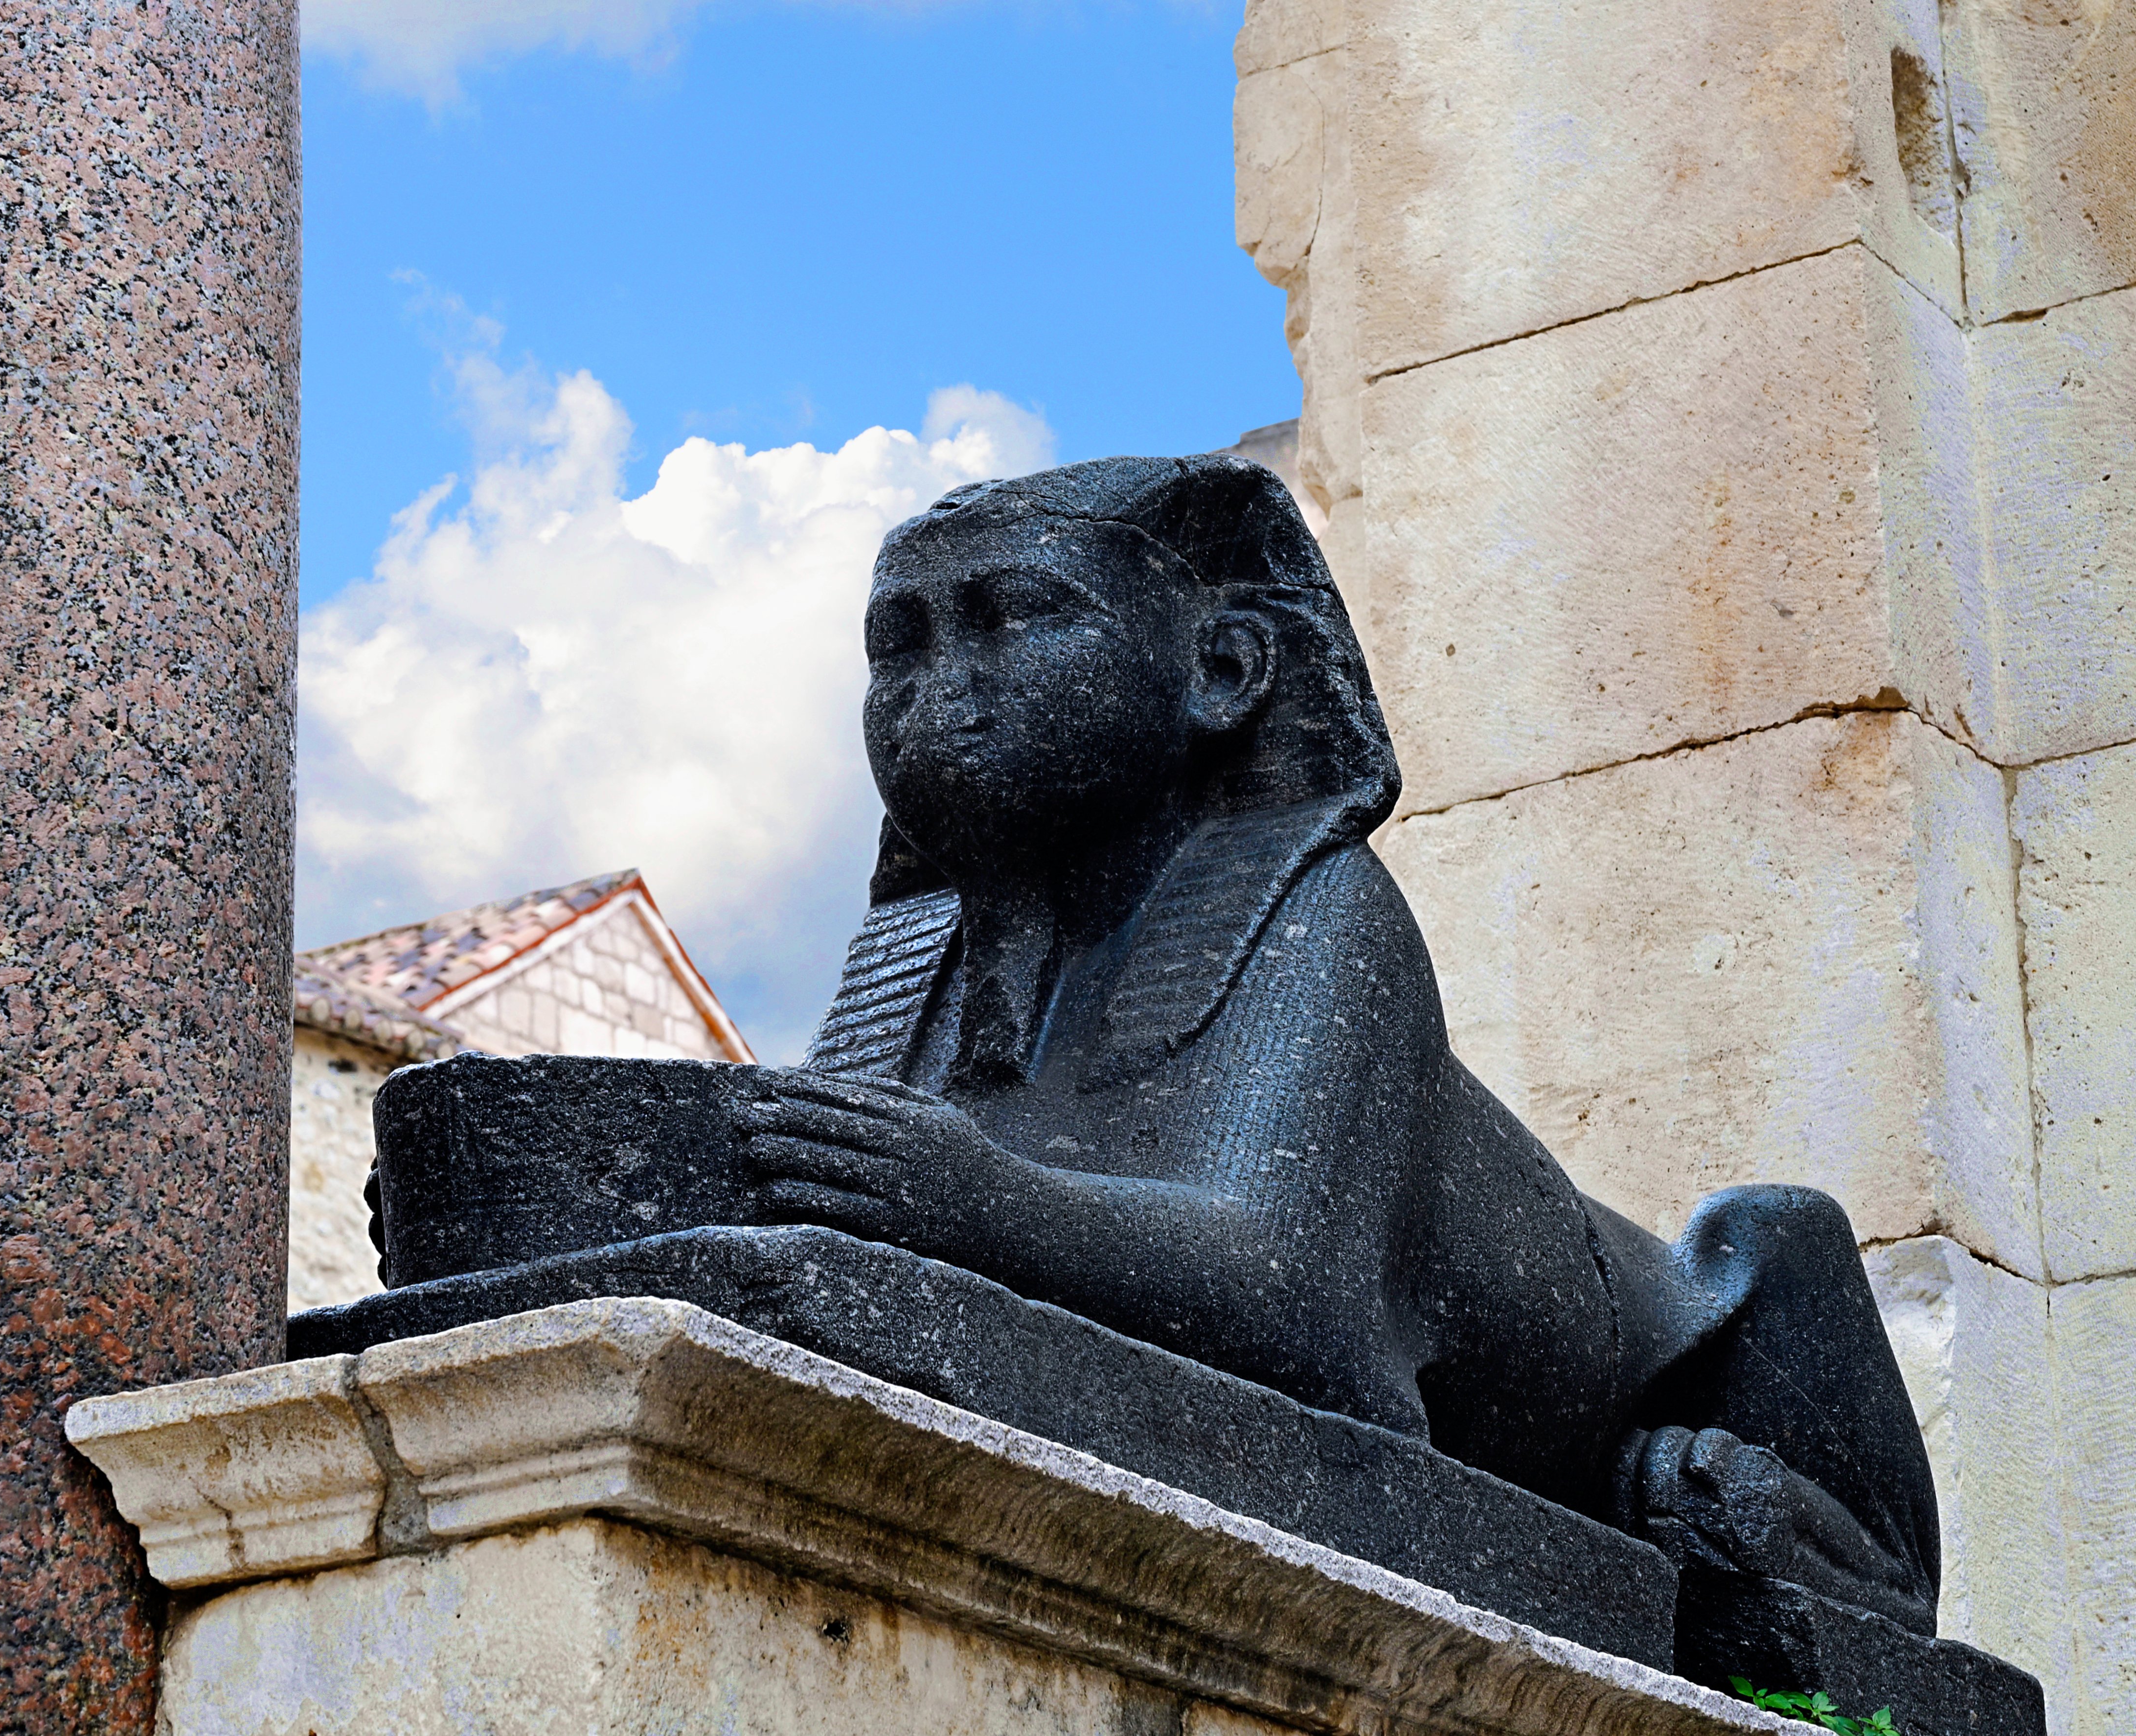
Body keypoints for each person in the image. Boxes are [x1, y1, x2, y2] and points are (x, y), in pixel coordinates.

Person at [735, 454, 1941, 1630]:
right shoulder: (929, 972)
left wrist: (978, 1196)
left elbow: (1296, 1301)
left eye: (1018, 617)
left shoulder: (1321, 911)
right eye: (901, 642)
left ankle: (1854, 1564)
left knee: (1778, 1233)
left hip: (1652, 1357)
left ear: (1224, 669)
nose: (943, 683)